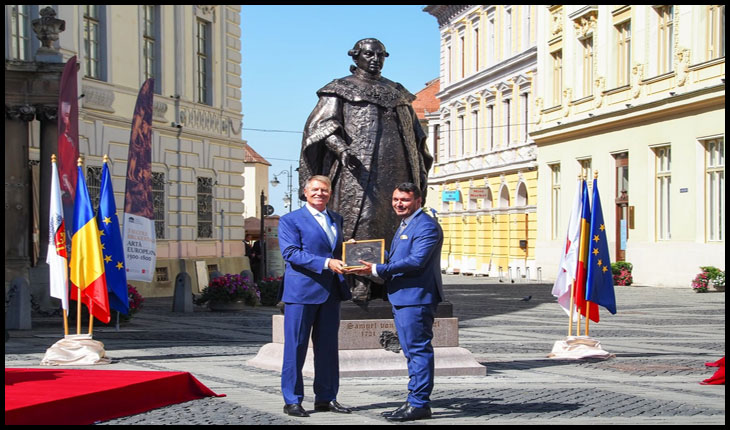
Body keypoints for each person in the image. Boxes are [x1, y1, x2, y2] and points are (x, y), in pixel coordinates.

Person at [298, 38, 434, 302]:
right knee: (363, 220)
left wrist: (416, 165)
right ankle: (359, 279)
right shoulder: (341, 89)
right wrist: (341, 148)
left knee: (395, 220)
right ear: (356, 57)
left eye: (380, 55)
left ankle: (392, 279)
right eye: (369, 54)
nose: (375, 59)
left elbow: (415, 135)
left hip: (397, 167)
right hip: (358, 170)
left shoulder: (397, 92)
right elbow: (322, 126)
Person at [354, 182, 444, 422]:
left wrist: (377, 268)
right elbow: (398, 257)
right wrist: (364, 257)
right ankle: (414, 401)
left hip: (416, 297)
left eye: (404, 199)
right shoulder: (406, 223)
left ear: (418, 201)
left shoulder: (426, 226)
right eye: (395, 199)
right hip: (404, 297)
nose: (398, 203)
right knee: (411, 351)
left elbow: (416, 261)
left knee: (417, 351)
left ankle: (419, 404)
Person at [277, 175, 353, 417]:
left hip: (330, 293)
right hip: (301, 293)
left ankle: (326, 397)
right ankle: (292, 400)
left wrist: (350, 250)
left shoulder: (336, 219)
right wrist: (326, 262)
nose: (320, 193)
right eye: (315, 189)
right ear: (305, 192)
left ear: (330, 193)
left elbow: (334, 251)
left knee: (328, 349)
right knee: (296, 347)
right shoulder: (291, 220)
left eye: (325, 190)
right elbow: (290, 253)